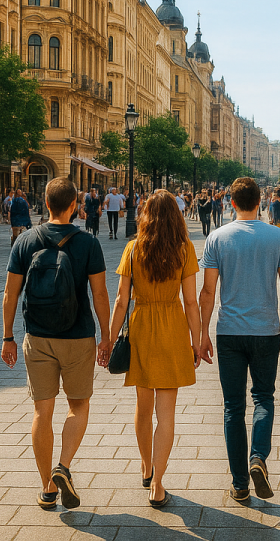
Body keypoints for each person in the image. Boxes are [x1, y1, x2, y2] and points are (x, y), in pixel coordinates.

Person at [1, 177, 111, 511]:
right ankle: (64, 465)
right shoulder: (88, 243)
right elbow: (101, 294)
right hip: (78, 337)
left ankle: (47, 487)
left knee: (41, 411)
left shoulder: (25, 241)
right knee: (78, 406)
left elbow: (9, 294)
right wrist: (106, 337)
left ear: (45, 204)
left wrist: (7, 337)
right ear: (76, 205)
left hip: (37, 336)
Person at [199, 177, 280, 502]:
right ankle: (258, 457)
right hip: (267, 331)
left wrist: (201, 334)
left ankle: (240, 484)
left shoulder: (217, 238)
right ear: (261, 202)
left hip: (228, 332)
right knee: (264, 399)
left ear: (232, 201)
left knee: (232, 408)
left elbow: (208, 291)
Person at [108, 190, 201, 508]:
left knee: (143, 407)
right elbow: (190, 300)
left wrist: (108, 340)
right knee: (167, 413)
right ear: (176, 217)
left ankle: (146, 466)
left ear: (145, 215)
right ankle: (158, 483)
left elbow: (121, 299)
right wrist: (197, 340)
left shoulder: (133, 248)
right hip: (173, 327)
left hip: (142, 327)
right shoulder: (185, 248)